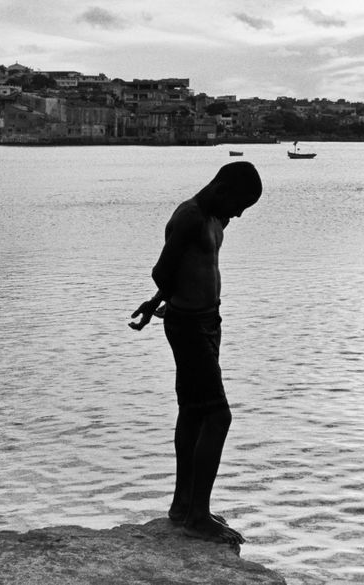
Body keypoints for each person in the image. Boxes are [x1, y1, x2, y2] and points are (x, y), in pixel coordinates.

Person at [129, 160, 262, 549]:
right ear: (222, 189)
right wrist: (162, 298)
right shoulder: (189, 216)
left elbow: (189, 269)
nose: (238, 213)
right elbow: (162, 270)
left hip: (207, 321)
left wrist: (157, 303)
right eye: (238, 204)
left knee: (192, 411)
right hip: (189, 326)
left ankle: (183, 505)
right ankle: (197, 518)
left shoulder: (215, 216)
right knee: (218, 416)